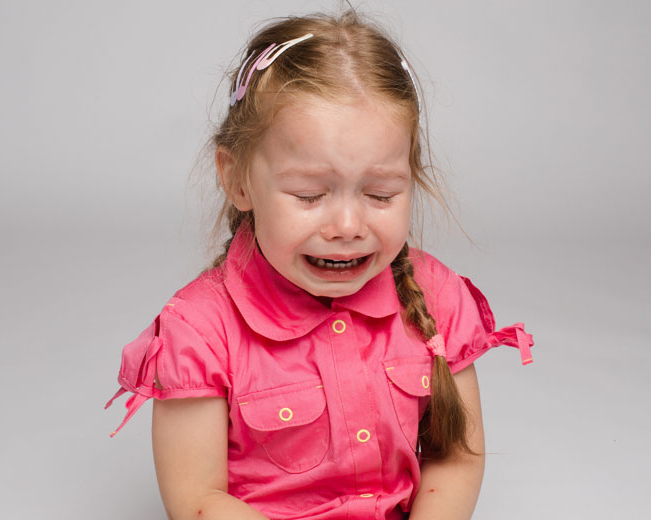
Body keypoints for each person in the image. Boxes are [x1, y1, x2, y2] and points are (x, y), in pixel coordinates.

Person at [105, 9, 534, 520]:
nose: (348, 224)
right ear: (238, 179)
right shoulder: (199, 332)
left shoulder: (436, 296)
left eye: (381, 194)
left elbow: (454, 459)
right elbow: (198, 500)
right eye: (310, 195)